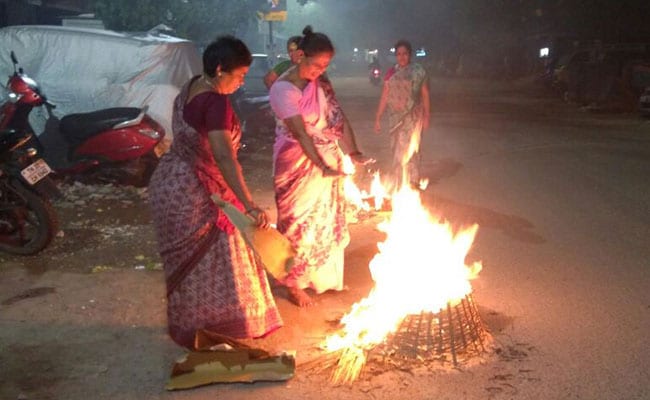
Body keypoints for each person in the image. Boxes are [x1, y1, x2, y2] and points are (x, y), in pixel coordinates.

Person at [148, 36, 282, 348]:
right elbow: (223, 157)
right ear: (220, 70)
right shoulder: (216, 103)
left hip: (169, 185)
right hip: (197, 195)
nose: (241, 82)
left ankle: (194, 328)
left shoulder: (191, 86)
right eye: (240, 75)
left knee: (195, 267)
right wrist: (248, 204)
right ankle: (224, 329)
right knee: (229, 255)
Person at [269, 26, 372, 307]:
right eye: (316, 65)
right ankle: (293, 283)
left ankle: (323, 280)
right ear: (300, 56)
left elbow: (338, 117)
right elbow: (301, 134)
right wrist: (322, 167)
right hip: (295, 162)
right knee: (297, 224)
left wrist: (354, 151)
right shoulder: (282, 89)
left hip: (326, 157)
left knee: (325, 220)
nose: (319, 71)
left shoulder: (321, 83)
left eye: (325, 66)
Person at [374, 39, 430, 190]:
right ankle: (400, 180)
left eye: (405, 53)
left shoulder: (418, 71)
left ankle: (412, 181)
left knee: (411, 148)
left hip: (412, 118)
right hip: (395, 119)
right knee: (396, 149)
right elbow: (385, 95)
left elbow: (425, 94)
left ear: (410, 55)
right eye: (399, 54)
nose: (402, 57)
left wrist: (426, 116)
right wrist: (378, 117)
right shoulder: (391, 73)